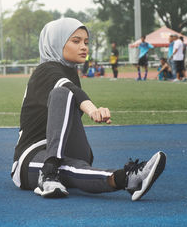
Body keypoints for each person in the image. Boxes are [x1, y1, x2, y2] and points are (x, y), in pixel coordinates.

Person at [11, 18, 166, 201]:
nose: (84, 47)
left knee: (72, 166)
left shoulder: (72, 73)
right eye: (76, 41)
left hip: (67, 151)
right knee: (62, 93)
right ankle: (126, 179)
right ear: (56, 43)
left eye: (86, 42)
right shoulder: (44, 70)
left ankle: (55, 170)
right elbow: (69, 90)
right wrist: (92, 109)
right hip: (31, 157)